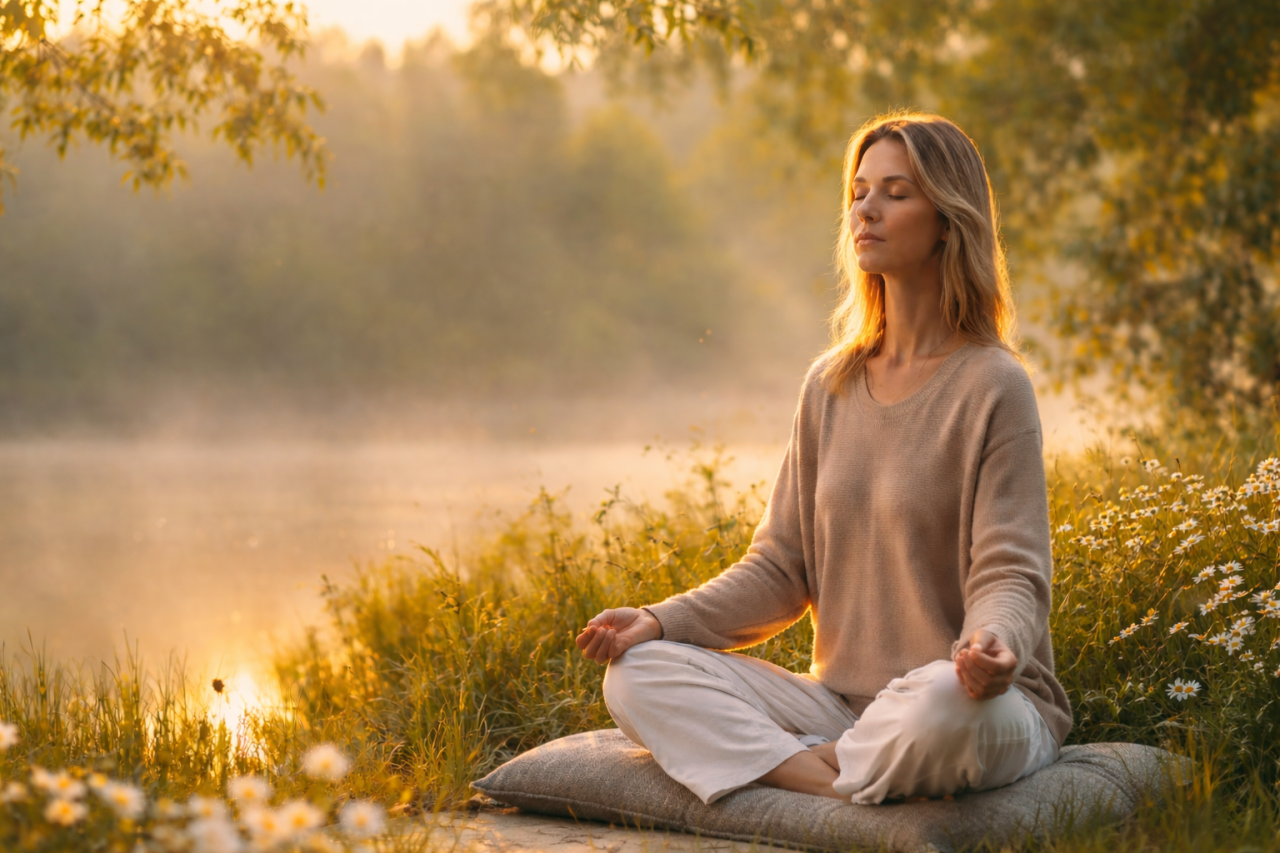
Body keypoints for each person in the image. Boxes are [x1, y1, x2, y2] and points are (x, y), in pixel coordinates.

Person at [574, 112, 1072, 805]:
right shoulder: (829, 385)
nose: (866, 208)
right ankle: (832, 776)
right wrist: (660, 619)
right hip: (842, 707)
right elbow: (781, 568)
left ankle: (796, 768)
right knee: (637, 672)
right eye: (860, 192)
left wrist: (993, 642)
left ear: (948, 220)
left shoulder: (993, 384)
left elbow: (1011, 568)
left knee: (935, 700)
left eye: (896, 193)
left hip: (973, 701)